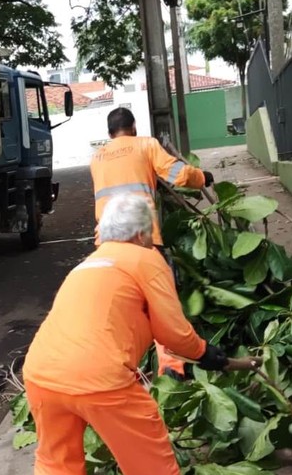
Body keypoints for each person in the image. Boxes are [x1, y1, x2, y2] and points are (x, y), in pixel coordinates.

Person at [22, 194, 230, 475]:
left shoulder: (87, 264)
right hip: (100, 380)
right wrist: (203, 352)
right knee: (150, 466)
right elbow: (172, 330)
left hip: (41, 375)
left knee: (56, 463)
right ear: (142, 233)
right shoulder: (145, 259)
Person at [89, 107, 215, 379]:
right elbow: (178, 175)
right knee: (160, 303)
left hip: (106, 245)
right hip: (142, 237)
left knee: (123, 306)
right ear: (133, 128)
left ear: (109, 133)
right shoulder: (145, 144)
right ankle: (171, 366)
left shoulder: (97, 157)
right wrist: (203, 177)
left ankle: (116, 370)